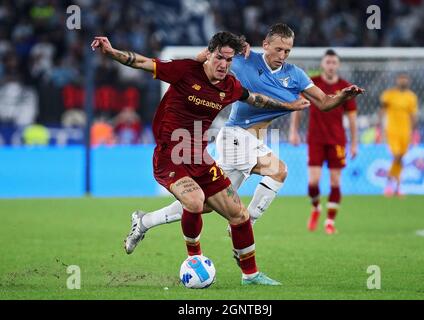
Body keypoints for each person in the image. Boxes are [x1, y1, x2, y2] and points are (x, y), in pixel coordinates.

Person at [124, 24, 365, 257]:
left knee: (207, 204)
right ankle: (244, 224)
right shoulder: (244, 59)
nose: (282, 55)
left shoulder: (295, 76)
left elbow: (324, 103)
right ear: (265, 45)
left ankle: (145, 221)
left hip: (256, 139)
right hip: (235, 135)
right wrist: (224, 50)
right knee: (278, 171)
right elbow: (208, 57)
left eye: (288, 51)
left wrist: (343, 97)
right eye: (278, 49)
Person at [92, 31, 312, 285]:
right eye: (219, 57)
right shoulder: (185, 70)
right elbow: (142, 62)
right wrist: (111, 52)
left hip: (199, 157)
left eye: (229, 60)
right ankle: (194, 258)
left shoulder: (230, 86)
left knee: (239, 215)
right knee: (195, 201)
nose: (224, 65)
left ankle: (250, 275)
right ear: (208, 54)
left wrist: (289, 106)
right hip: (170, 155)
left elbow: (256, 100)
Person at [289, 49, 358, 235]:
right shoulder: (313, 83)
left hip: (337, 140)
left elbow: (352, 118)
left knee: (335, 181)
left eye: (334, 62)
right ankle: (316, 207)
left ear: (338, 65)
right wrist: (293, 131)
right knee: (313, 181)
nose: (331, 65)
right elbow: (298, 107)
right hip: (316, 139)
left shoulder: (346, 87)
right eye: (328, 62)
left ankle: (329, 221)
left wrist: (354, 143)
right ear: (322, 64)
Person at [378, 73, 419, 196]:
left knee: (400, 158)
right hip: (392, 130)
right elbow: (382, 112)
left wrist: (415, 131)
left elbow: (413, 115)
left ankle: (397, 187)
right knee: (396, 156)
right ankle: (391, 185)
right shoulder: (389, 95)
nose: (403, 81)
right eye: (401, 79)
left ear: (409, 81)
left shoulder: (411, 97)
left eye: (405, 79)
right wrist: (379, 128)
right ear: (397, 80)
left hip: (405, 131)